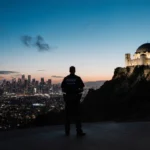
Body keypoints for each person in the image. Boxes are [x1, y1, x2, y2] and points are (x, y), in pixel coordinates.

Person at [61, 66, 86, 136]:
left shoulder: (66, 79)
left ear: (69, 70)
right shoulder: (77, 78)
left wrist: (65, 97)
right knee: (77, 115)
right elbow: (82, 87)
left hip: (68, 99)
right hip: (75, 99)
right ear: (74, 71)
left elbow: (62, 88)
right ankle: (79, 131)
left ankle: (67, 131)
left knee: (67, 116)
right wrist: (79, 95)